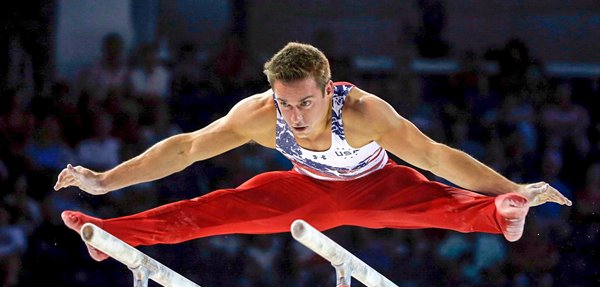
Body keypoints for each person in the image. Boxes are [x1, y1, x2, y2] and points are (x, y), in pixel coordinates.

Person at [54, 42, 571, 262]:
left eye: (305, 102)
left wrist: (513, 187)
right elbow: (186, 149)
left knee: (441, 203)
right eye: (285, 103)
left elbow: (435, 156)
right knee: (212, 211)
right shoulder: (258, 113)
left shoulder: (366, 112)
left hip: (379, 186)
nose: (295, 116)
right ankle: (115, 236)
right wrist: (105, 180)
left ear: (328, 89)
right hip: (306, 191)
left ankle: (502, 213)